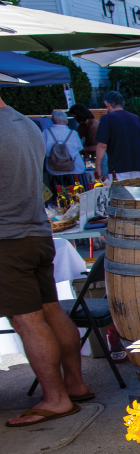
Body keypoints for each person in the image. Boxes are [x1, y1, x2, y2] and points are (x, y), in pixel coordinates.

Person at [0, 95, 89, 427]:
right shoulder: (25, 123)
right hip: (37, 232)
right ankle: (75, 384)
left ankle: (55, 398)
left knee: (28, 321)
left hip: (8, 239)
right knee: (51, 310)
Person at [94, 91, 140, 182]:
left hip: (117, 169)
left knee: (119, 191)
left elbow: (102, 145)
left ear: (107, 104)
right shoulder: (136, 118)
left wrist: (98, 167)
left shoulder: (106, 118)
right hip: (138, 168)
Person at [43, 109, 86, 190]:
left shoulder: (46, 133)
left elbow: (44, 151)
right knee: (79, 194)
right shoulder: (73, 133)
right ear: (66, 122)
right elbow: (80, 148)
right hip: (75, 169)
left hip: (54, 170)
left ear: (52, 121)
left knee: (59, 195)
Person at [69, 104, 98, 171]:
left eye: (74, 116)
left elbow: (98, 146)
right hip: (89, 159)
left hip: (97, 159)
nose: (74, 119)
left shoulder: (94, 126)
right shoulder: (81, 126)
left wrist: (82, 148)